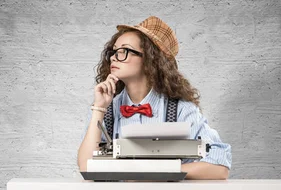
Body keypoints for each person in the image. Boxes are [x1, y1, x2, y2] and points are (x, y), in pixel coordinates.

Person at [77, 16, 231, 180]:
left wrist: (160, 170)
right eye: (114, 51)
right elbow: (86, 166)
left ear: (150, 59)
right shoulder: (105, 108)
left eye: (124, 51)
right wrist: (99, 108)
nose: (114, 57)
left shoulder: (181, 109)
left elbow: (220, 168)